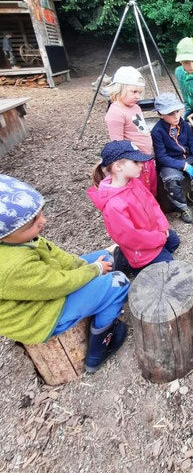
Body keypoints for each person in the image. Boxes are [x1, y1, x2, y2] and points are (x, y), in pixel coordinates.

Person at [0, 174, 130, 373]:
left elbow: (59, 257)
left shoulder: (19, 238)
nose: (43, 221)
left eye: (40, 214)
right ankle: (99, 349)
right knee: (119, 282)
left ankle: (101, 300)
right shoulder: (12, 268)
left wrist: (88, 267)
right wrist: (94, 270)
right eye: (32, 223)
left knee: (107, 258)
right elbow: (57, 286)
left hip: (46, 286)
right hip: (39, 315)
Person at [88, 140, 180, 274]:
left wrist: (163, 227)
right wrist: (159, 238)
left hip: (153, 234)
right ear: (118, 167)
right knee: (168, 271)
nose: (142, 164)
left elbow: (152, 204)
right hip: (140, 247)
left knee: (174, 241)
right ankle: (134, 264)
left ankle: (133, 259)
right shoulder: (114, 205)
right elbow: (132, 237)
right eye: (135, 162)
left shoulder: (134, 182)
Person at [151, 93, 193, 224]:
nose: (176, 116)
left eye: (177, 112)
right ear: (160, 114)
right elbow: (161, 157)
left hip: (187, 157)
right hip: (170, 163)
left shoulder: (184, 125)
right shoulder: (157, 131)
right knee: (171, 181)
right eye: (171, 114)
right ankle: (183, 207)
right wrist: (183, 166)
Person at [104, 66, 157, 196]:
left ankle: (152, 208)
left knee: (151, 189)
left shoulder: (136, 107)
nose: (138, 96)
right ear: (119, 89)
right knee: (140, 191)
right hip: (134, 162)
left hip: (147, 159)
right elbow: (118, 145)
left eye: (140, 92)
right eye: (134, 92)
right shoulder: (116, 113)